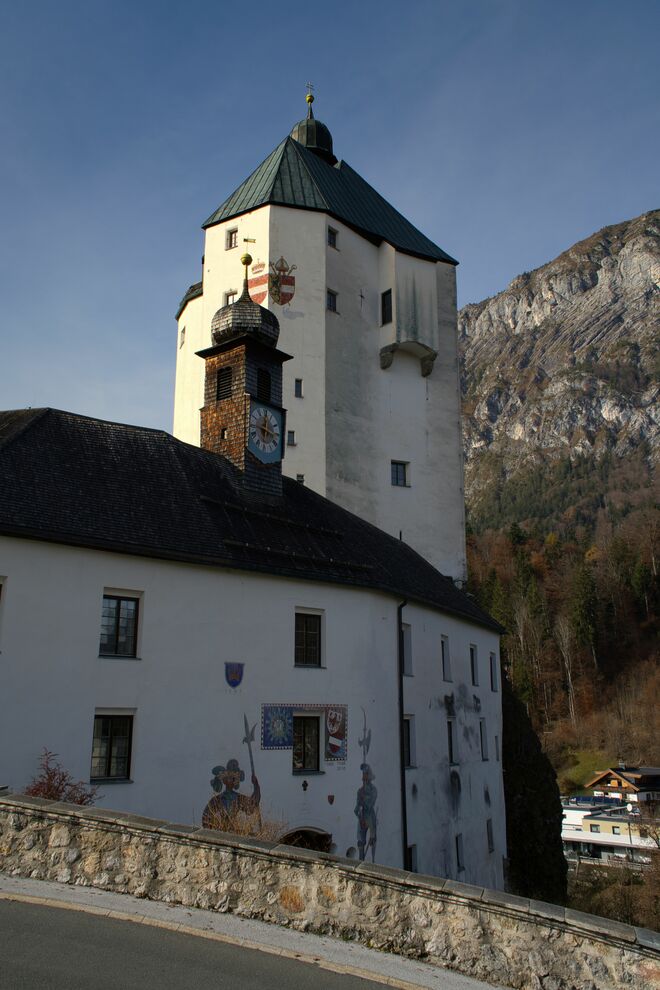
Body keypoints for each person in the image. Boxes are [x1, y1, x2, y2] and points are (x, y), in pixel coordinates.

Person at [202, 758, 260, 829]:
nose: (231, 780)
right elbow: (206, 817)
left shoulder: (239, 798)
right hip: (219, 833)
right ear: (224, 780)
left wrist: (256, 786)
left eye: (233, 779)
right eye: (229, 777)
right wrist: (213, 829)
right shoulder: (216, 800)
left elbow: (252, 805)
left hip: (234, 832)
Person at [354, 763, 377, 861]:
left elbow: (371, 803)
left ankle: (373, 860)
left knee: (372, 839)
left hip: (370, 815)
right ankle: (361, 859)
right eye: (364, 776)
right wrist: (360, 817)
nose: (364, 779)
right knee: (360, 840)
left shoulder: (373, 790)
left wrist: (365, 798)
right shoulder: (360, 791)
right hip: (362, 816)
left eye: (366, 775)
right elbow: (357, 807)